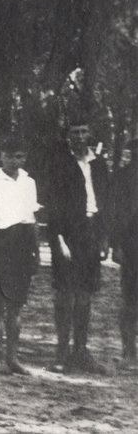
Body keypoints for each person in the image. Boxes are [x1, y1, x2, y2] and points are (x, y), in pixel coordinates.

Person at [38, 119, 110, 374]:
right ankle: (61, 354)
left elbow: (105, 202)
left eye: (83, 131)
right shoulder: (59, 164)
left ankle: (81, 351)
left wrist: (104, 238)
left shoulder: (99, 165)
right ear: (68, 137)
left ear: (90, 134)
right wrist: (58, 239)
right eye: (74, 133)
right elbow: (52, 205)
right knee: (65, 295)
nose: (79, 137)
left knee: (85, 295)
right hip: (68, 234)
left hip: (92, 232)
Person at [0, 135, 40, 375]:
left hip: (23, 244)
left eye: (20, 156)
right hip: (1, 242)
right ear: (1, 155)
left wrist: (36, 253)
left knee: (16, 306)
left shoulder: (28, 182)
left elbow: (32, 220)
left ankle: (13, 357)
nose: (15, 160)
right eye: (10, 155)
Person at [113, 137, 138, 370]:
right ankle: (129, 352)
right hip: (132, 247)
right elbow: (117, 215)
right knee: (130, 300)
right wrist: (117, 245)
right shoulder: (123, 177)